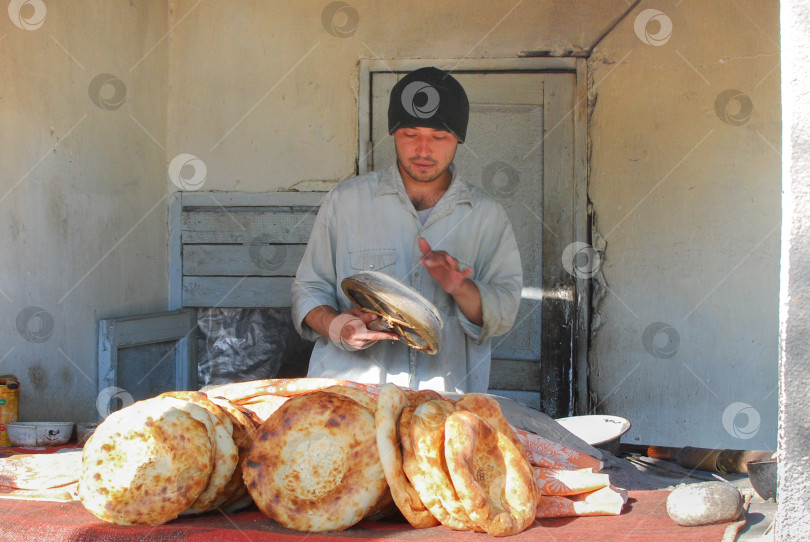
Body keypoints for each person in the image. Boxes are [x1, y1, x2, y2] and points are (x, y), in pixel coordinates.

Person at [291, 66, 522, 394]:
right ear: (394, 133)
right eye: (411, 134)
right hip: (353, 403)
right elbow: (308, 289)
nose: (424, 150)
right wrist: (337, 326)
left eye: (439, 137)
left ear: (458, 138)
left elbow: (504, 312)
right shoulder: (346, 202)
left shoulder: (486, 216)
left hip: (443, 406)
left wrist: (461, 288)